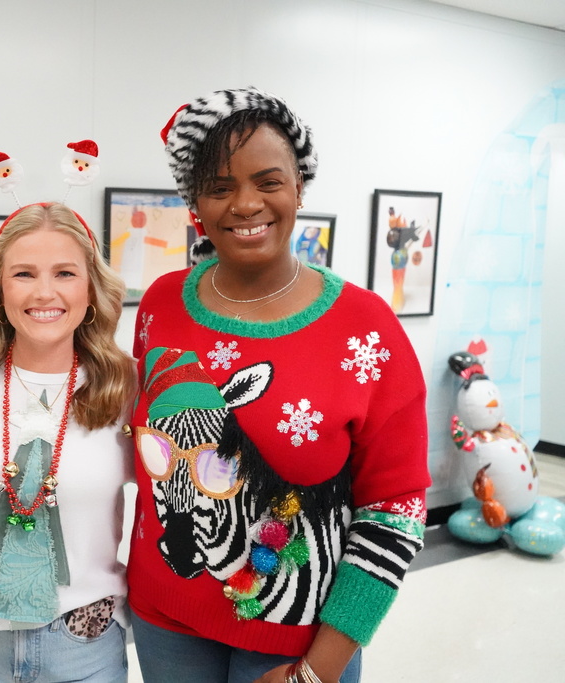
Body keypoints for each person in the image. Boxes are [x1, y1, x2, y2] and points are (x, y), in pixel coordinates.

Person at [126, 87, 430, 683]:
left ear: (298, 188)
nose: (245, 204)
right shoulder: (160, 304)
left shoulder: (365, 328)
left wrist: (319, 670)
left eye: (268, 181)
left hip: (302, 639)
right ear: (195, 203)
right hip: (164, 621)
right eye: (219, 186)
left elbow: (396, 510)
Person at [0, 202, 136, 683]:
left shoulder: (126, 385)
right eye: (24, 273)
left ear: (90, 289)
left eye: (65, 273)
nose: (45, 292)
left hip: (85, 646)